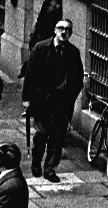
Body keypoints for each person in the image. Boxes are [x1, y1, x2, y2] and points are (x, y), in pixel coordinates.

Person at [20, 19, 84, 182]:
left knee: (57, 138)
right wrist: (27, 98)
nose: (64, 32)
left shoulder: (73, 52)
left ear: (70, 33)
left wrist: (70, 98)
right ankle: (36, 162)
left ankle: (50, 169)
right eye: (61, 28)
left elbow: (78, 79)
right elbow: (30, 74)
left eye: (67, 30)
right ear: (55, 30)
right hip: (41, 101)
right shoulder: (41, 48)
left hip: (61, 104)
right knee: (41, 134)